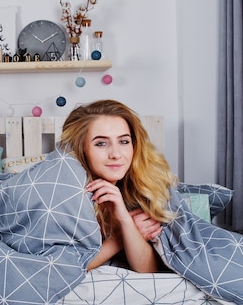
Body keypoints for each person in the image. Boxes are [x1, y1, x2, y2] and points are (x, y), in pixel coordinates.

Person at [59, 99, 176, 273]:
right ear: (81, 148)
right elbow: (60, 268)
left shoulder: (142, 191)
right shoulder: (65, 192)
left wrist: (125, 220)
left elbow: (149, 271)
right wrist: (120, 238)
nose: (116, 154)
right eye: (101, 143)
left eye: (123, 141)